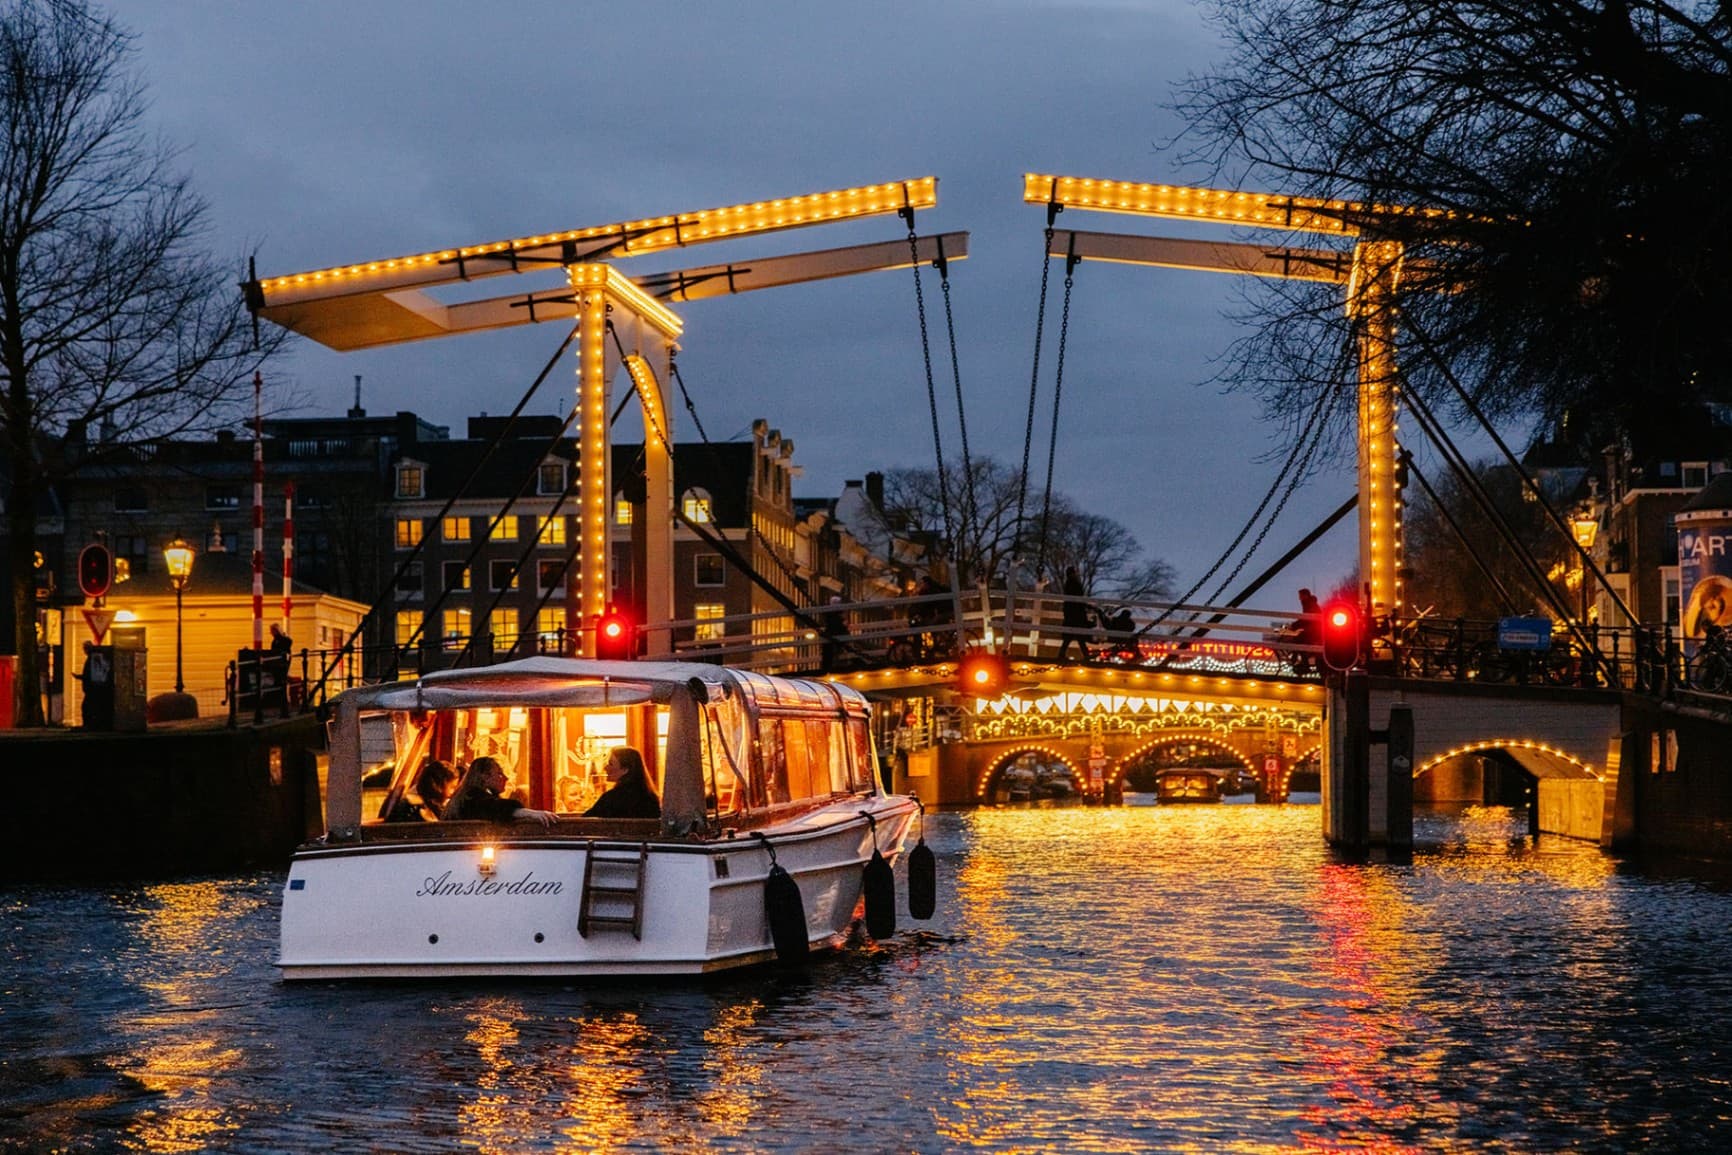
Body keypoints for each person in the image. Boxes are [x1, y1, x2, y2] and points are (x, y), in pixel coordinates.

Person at [442, 756, 556, 828]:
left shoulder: (465, 797)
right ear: (485, 777)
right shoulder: (472, 798)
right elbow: (496, 808)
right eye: (499, 774)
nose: (505, 778)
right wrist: (531, 813)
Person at [583, 747, 661, 819]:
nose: (605, 768)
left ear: (625, 770)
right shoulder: (651, 798)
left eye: (611, 764)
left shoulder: (610, 799)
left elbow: (583, 823)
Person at [386, 759, 456, 823]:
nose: (454, 792)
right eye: (452, 787)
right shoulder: (414, 808)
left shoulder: (432, 804)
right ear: (438, 787)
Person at [1056, 566, 1091, 661]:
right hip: (1076, 613)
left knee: (1070, 635)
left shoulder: (1068, 583)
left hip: (1070, 613)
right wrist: (1085, 606)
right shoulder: (1074, 583)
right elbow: (1078, 597)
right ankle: (1086, 655)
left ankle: (1062, 653)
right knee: (1079, 635)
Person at [1294, 588, 1323, 675]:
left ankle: (1305, 664)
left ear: (1305, 596)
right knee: (1299, 639)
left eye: (1300, 596)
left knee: (1298, 639)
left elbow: (1307, 618)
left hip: (1315, 631)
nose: (1299, 598)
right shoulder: (1310, 603)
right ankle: (1304, 661)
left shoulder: (1309, 604)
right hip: (1315, 630)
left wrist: (1295, 625)